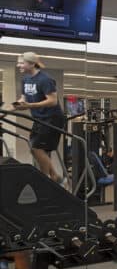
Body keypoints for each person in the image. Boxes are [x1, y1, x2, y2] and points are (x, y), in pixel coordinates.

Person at [13, 52, 66, 184]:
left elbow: (53, 101)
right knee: (34, 148)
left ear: (31, 64)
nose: (18, 65)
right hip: (39, 118)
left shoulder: (45, 79)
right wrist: (7, 110)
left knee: (37, 148)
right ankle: (55, 176)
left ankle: (45, 180)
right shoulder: (25, 79)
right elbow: (23, 100)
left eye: (21, 63)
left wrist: (31, 105)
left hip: (52, 118)